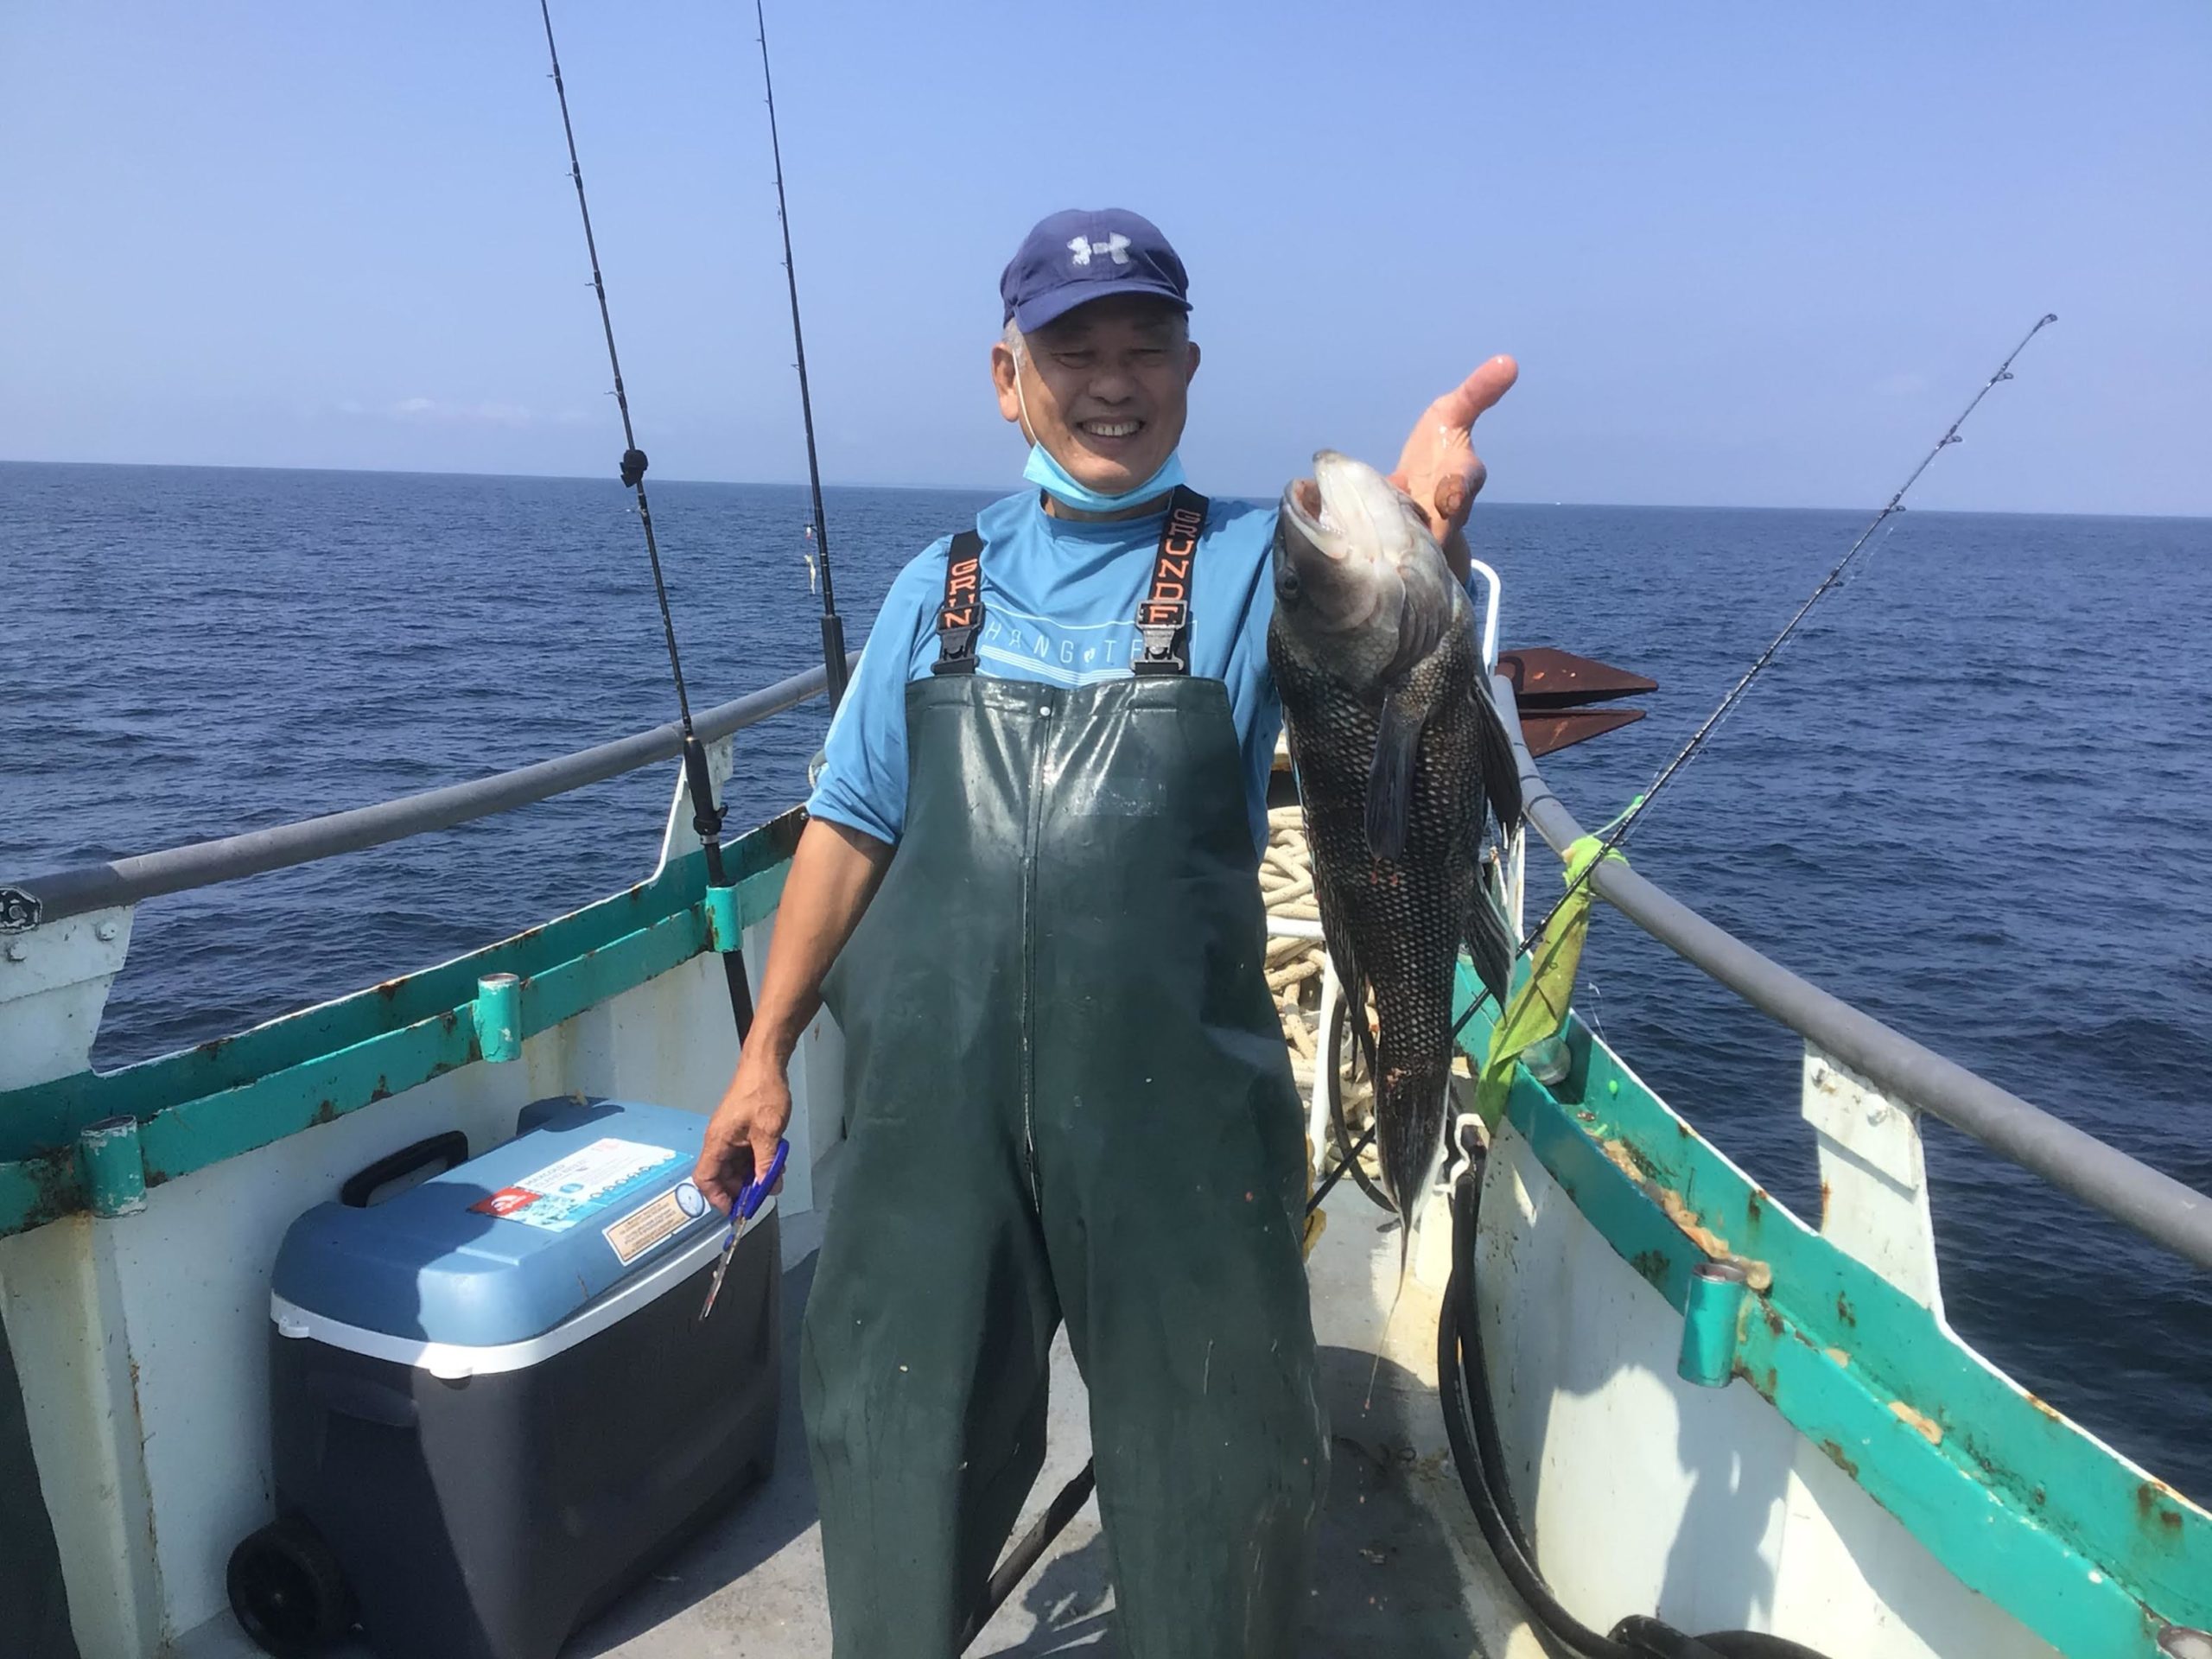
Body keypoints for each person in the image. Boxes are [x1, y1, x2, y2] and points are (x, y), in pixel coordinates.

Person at [693, 207, 1515, 1658]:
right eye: (1075, 350)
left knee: (1219, 1475)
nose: (1113, 380)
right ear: (1009, 377)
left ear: (1191, 369)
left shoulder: (1266, 563)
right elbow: (846, 828)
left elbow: (1387, 662)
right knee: (897, 1445)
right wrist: (763, 1054)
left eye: (1146, 346)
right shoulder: (934, 588)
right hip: (929, 1129)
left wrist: (1432, 521)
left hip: (1179, 1128)